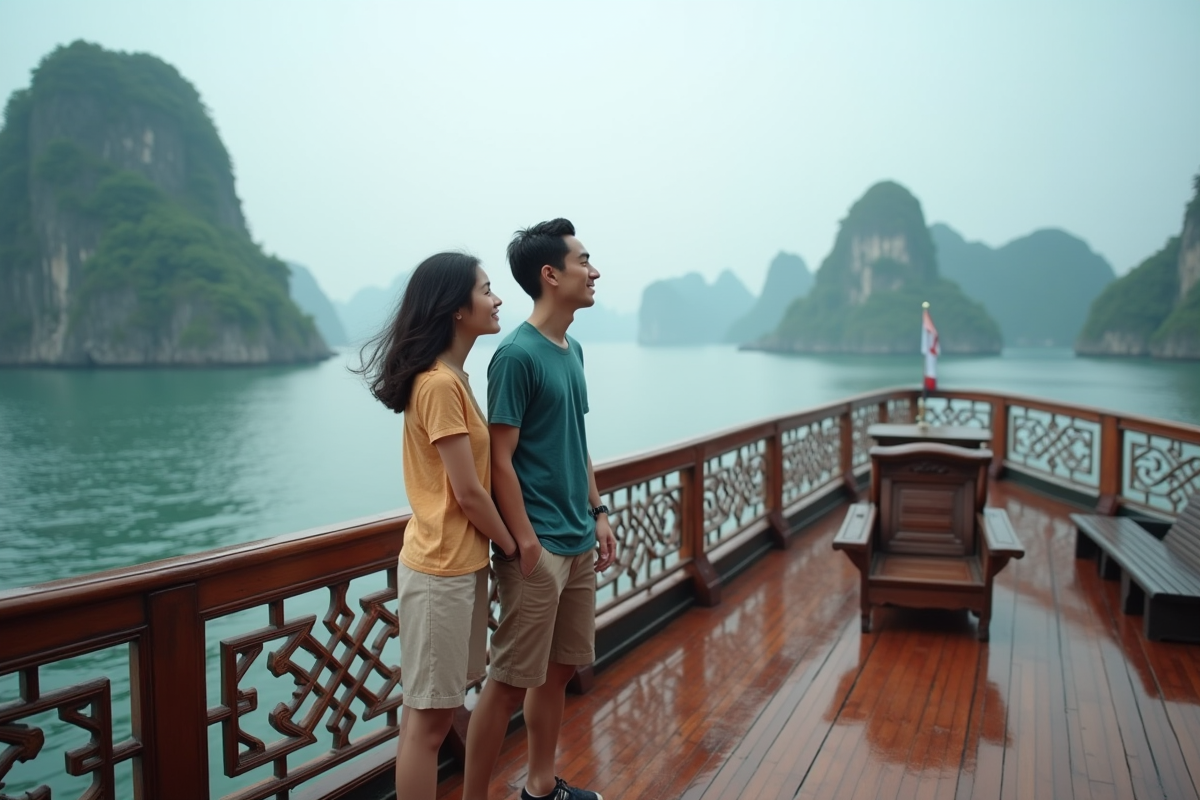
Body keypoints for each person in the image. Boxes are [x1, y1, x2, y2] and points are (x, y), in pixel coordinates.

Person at [462, 219, 617, 800]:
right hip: (537, 549)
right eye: (583, 260)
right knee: (506, 682)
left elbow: (576, 441)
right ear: (550, 275)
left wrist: (599, 513)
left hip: (577, 537)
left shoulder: (572, 348)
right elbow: (500, 461)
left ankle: (539, 786)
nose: (594, 271)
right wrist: (525, 542)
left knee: (557, 673)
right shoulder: (514, 356)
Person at [355, 252, 518, 800]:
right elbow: (468, 491)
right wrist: (516, 544)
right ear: (455, 308)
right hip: (439, 569)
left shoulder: (453, 377)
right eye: (487, 289)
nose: (497, 300)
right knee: (426, 726)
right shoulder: (439, 385)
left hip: (458, 565)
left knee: (436, 712)